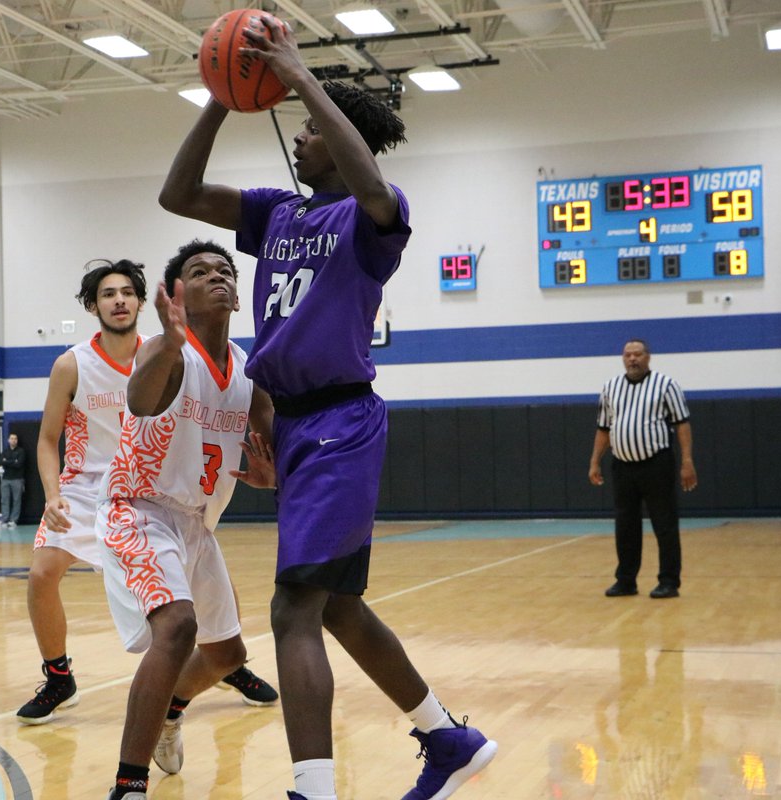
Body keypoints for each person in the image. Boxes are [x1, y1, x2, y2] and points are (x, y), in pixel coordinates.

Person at [158, 19, 495, 800]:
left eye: (311, 129)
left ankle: (314, 789)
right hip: (292, 421)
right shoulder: (278, 213)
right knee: (337, 606)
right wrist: (220, 98)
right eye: (302, 126)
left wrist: (302, 76)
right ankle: (448, 737)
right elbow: (177, 195)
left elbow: (371, 185)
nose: (300, 139)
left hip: (341, 423)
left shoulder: (376, 216)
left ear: (344, 139)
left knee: (290, 611)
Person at [18, 258, 277, 727]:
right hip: (87, 484)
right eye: (106, 294)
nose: (118, 300)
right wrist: (52, 494)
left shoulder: (168, 350)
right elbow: (46, 439)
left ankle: (227, 663)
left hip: (159, 479)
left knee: (206, 567)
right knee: (41, 575)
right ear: (93, 305)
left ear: (141, 301)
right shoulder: (72, 363)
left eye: (126, 293)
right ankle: (59, 676)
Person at [99, 241, 275, 800]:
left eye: (225, 270)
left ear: (237, 297)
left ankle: (172, 710)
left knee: (229, 656)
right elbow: (141, 395)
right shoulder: (165, 352)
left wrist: (275, 475)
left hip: (197, 524)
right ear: (178, 296)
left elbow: (271, 441)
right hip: (139, 509)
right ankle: (129, 783)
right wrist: (170, 342)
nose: (217, 276)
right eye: (199, 272)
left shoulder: (250, 369)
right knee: (176, 628)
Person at [589, 338, 697, 599]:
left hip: (656, 464)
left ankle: (669, 581)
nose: (632, 359)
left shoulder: (666, 385)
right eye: (627, 355)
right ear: (622, 358)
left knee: (665, 524)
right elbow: (604, 428)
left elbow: (682, 424)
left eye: (637, 354)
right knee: (625, 526)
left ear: (648, 357)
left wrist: (687, 461)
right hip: (623, 466)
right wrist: (595, 461)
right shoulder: (610, 387)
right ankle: (626, 580)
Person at [0, 433, 27, 528]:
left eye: (15, 438)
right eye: (12, 438)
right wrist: (13, 461)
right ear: (8, 440)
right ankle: (4, 519)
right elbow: (1, 461)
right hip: (6, 479)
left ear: (17, 441)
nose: (13, 440)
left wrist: (7, 461)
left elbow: (19, 464)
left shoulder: (21, 451)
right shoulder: (5, 451)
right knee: (5, 499)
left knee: (16, 500)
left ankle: (13, 520)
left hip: (17, 479)